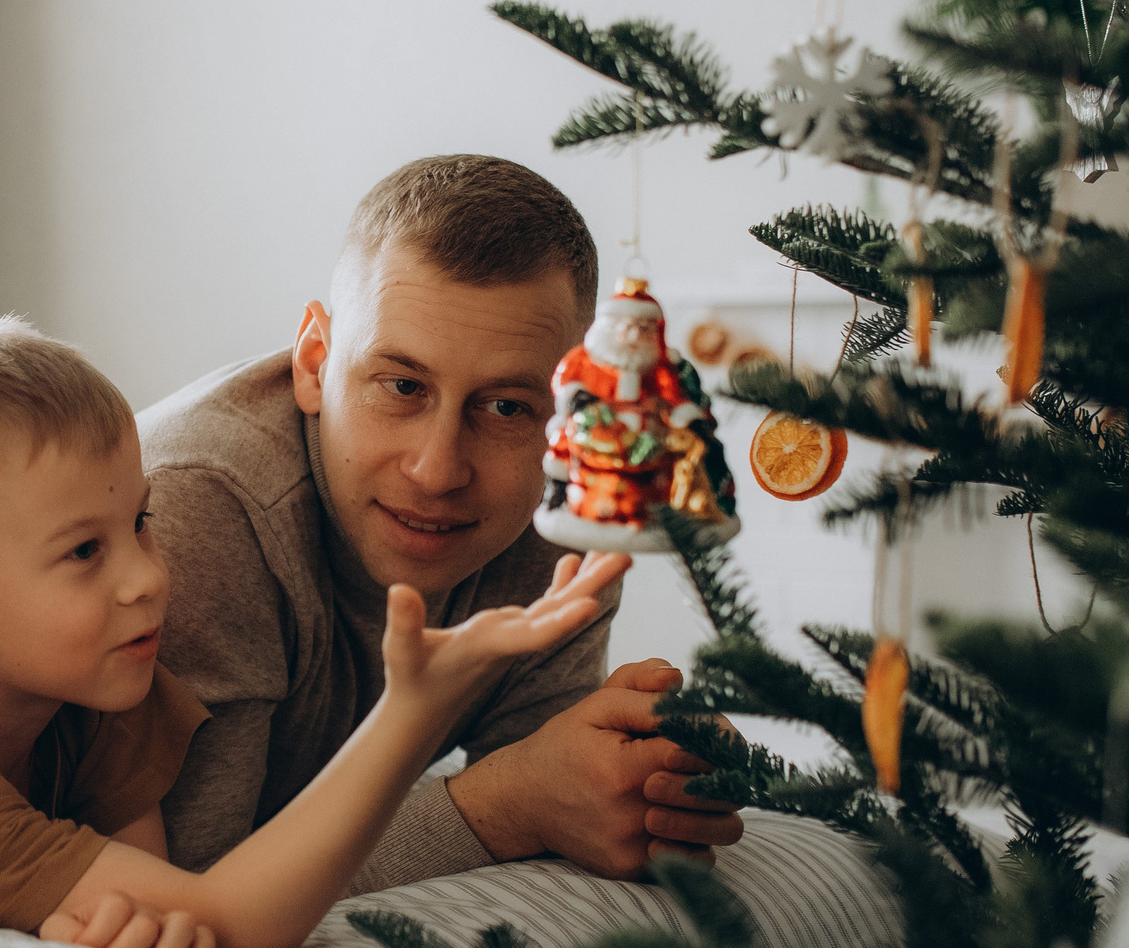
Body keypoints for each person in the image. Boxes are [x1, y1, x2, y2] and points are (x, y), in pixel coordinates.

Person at [0, 317, 623, 948]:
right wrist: (409, 712)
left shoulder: (99, 677)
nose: (150, 575)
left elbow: (167, 905)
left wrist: (141, 915)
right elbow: (228, 915)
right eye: (84, 550)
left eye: (140, 521)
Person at [138, 154, 745, 890]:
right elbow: (188, 892)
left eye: (506, 408)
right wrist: (507, 804)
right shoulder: (195, 506)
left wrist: (639, 772)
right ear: (314, 362)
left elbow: (555, 781)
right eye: (400, 385)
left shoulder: (561, 515)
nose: (437, 470)